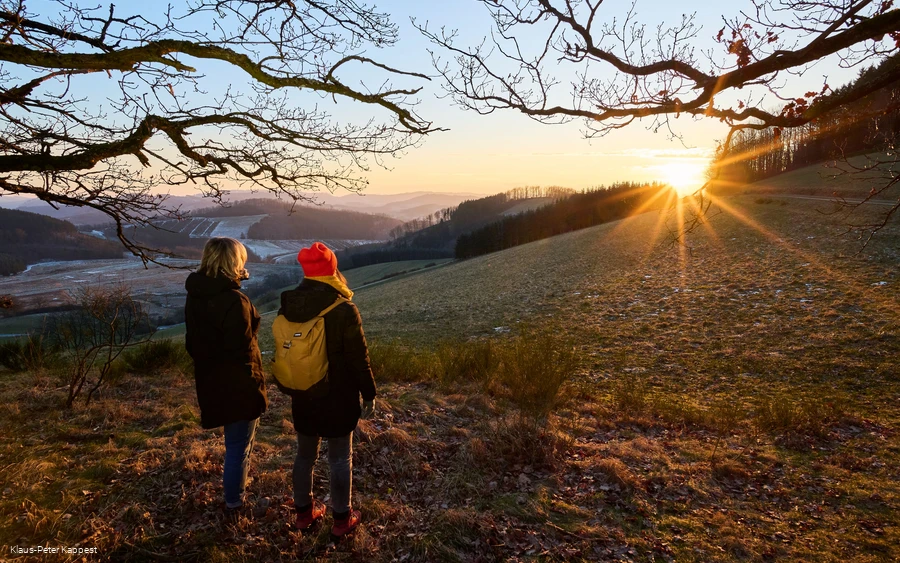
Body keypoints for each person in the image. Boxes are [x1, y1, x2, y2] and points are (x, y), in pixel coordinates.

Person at [277, 242, 376, 538]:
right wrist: (369, 393)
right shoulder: (344, 308)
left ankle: (304, 514)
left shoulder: (289, 304)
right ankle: (342, 520)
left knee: (304, 455)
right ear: (332, 269)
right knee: (340, 458)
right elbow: (359, 358)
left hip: (303, 391)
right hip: (338, 396)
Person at [184, 237, 268, 513]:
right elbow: (241, 350)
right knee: (238, 446)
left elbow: (192, 343)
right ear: (234, 262)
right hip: (239, 383)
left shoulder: (195, 295)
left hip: (211, 380)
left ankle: (236, 490)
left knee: (234, 444)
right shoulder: (235, 300)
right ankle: (235, 502)